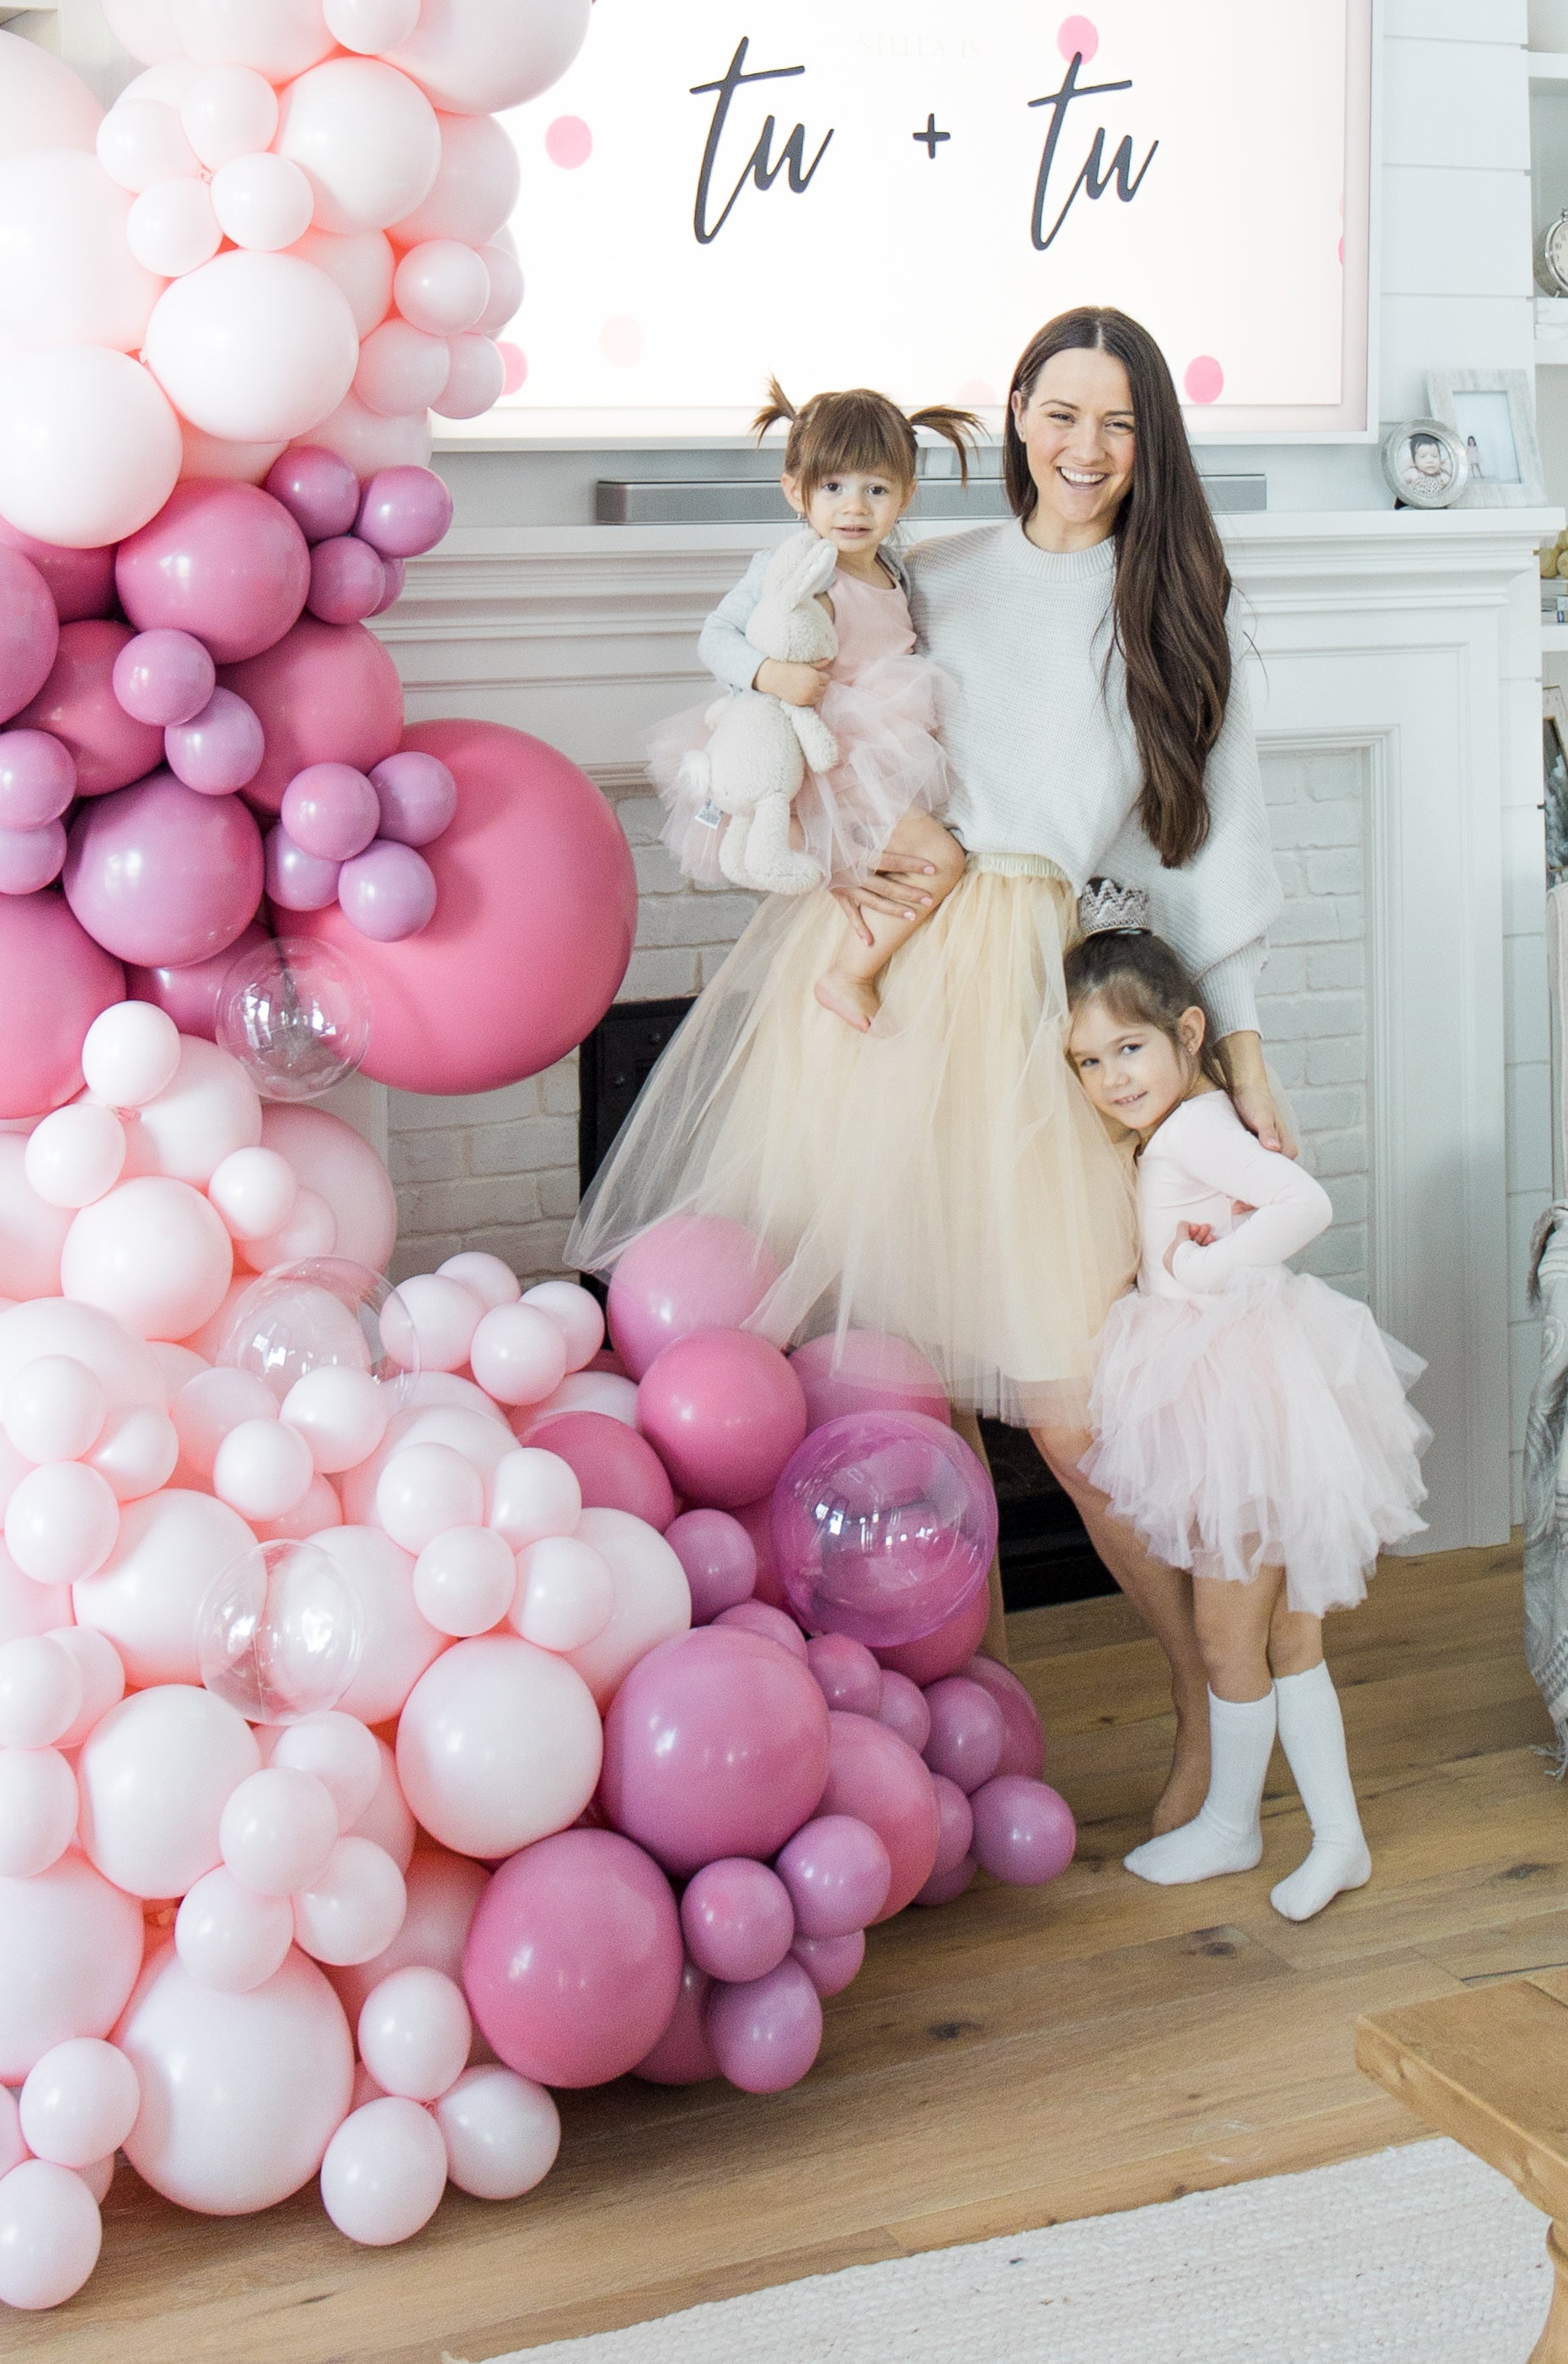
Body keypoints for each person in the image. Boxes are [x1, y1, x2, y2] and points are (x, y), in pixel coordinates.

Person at [572, 304, 1284, 1832]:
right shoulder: (922, 569)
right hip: (892, 961)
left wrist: (1240, 1048)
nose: (1084, 448)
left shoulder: (1172, 604)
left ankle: (1200, 1707)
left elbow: (1210, 850)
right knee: (897, 1395)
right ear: (1013, 408)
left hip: (1047, 989)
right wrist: (853, 829)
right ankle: (952, 1747)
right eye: (1059, 411)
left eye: (1118, 423)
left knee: (1073, 1406)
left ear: (1148, 439)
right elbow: (792, 709)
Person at [1064, 894, 1426, 1916]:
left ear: (1187, 1032)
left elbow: (1300, 1202)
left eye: (1127, 1048)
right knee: (1280, 1639)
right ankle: (1322, 1837)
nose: (1110, 1079)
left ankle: (1241, 1827)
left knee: (1235, 1639)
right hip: (1247, 1392)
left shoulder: (1190, 1130)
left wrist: (1207, 1264)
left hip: (1243, 1404)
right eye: (1087, 1063)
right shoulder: (1189, 1117)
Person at [649, 383, 977, 1027]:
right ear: (795, 491)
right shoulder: (793, 567)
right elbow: (715, 637)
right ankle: (848, 975)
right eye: (832, 487)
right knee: (940, 861)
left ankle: (858, 942)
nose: (853, 507)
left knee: (917, 860)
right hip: (825, 756)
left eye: (875, 490)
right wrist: (769, 674)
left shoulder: (894, 571)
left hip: (875, 755)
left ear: (905, 495)